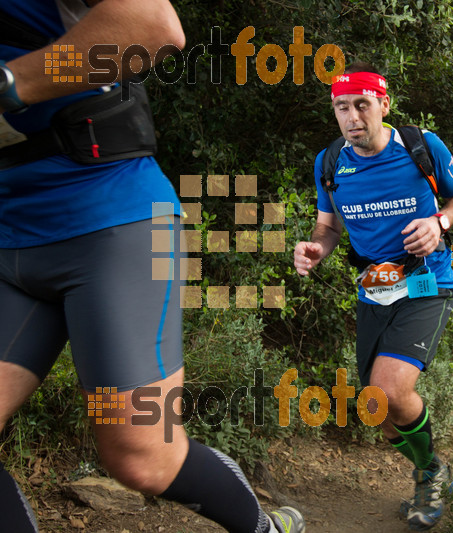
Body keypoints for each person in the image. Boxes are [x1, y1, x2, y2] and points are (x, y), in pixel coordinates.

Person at [0, 1, 304, 532]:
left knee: (142, 455)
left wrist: (7, 83)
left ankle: (267, 529)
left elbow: (153, 27)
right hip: (7, 234)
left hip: (109, 222)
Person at [294, 62, 453, 530]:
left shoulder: (421, 146)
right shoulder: (330, 161)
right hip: (374, 291)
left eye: (362, 105)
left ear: (383, 105)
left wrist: (440, 223)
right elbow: (329, 226)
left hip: (427, 282)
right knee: (375, 407)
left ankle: (430, 477)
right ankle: (433, 468)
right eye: (342, 107)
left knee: (392, 390)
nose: (353, 117)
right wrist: (317, 248)